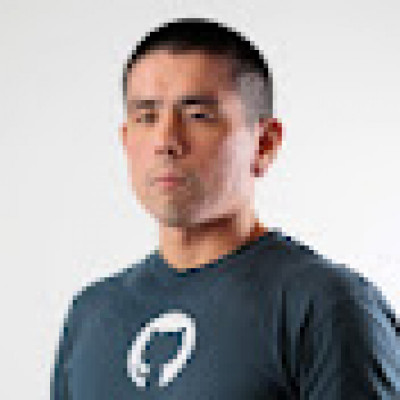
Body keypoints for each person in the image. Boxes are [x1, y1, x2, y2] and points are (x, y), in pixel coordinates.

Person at [50, 18, 400, 399]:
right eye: (146, 117)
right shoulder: (91, 315)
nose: (165, 141)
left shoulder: (322, 305)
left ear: (264, 144)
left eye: (198, 116)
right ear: (125, 140)